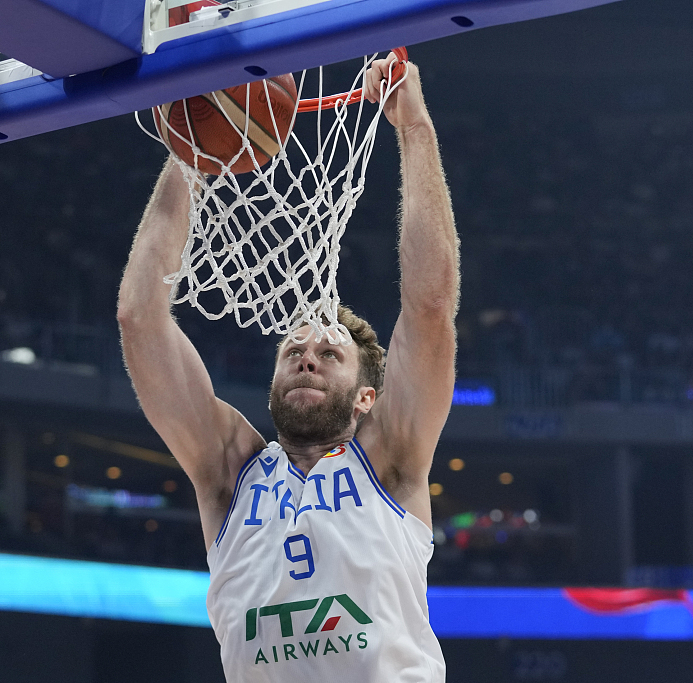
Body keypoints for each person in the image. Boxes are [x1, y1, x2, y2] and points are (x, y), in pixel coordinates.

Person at [117, 56, 458, 683]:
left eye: (331, 354)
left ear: (365, 398)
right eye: (294, 350)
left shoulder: (391, 457)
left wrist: (414, 129)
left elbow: (431, 308)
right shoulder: (229, 469)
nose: (307, 355)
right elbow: (141, 319)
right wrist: (192, 155)